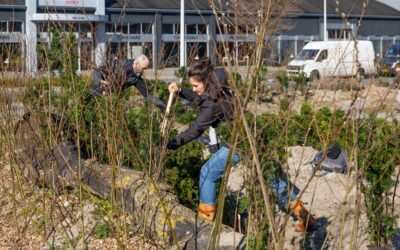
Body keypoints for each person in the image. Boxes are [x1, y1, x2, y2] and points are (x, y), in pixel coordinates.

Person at [167, 57, 239, 221]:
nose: (194, 89)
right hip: (250, 137)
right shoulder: (218, 87)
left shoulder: (213, 104)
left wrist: (170, 144)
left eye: (196, 85)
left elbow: (195, 130)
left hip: (238, 143)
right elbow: (200, 96)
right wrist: (180, 91)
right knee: (272, 178)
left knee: (207, 173)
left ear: (206, 81)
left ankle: (205, 221)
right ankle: (306, 219)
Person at [91, 54, 167, 111]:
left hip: (112, 102)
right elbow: (96, 71)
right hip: (97, 96)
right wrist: (100, 82)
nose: (144, 71)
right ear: (136, 64)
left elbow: (147, 94)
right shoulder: (117, 64)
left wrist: (163, 106)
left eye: (145, 69)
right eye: (143, 68)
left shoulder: (136, 78)